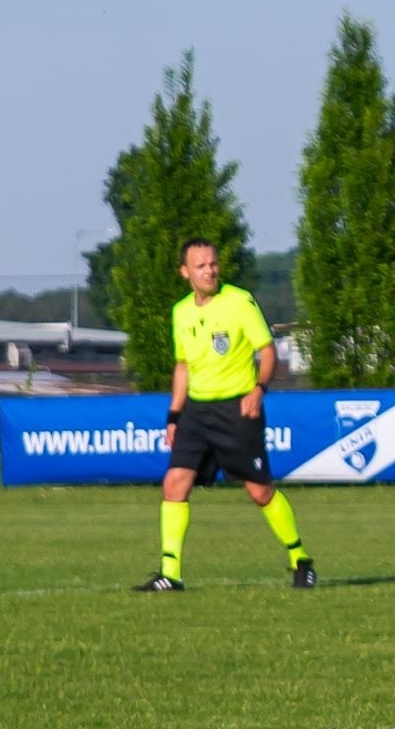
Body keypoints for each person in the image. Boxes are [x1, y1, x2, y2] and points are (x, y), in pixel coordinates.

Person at [135, 239, 315, 592]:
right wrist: (174, 415)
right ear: (185, 272)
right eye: (201, 266)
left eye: (213, 264)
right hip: (197, 413)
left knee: (260, 493)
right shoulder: (181, 312)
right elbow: (183, 366)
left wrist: (258, 390)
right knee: (174, 484)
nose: (209, 270)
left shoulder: (239, 302)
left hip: (237, 410)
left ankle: (301, 560)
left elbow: (267, 351)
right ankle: (170, 574)